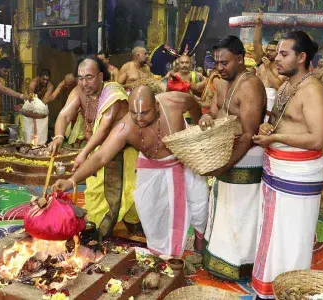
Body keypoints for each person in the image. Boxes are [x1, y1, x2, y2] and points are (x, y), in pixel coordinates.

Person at [52, 87, 208, 257]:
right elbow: (101, 157)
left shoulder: (173, 102)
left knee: (199, 206)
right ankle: (164, 252)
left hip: (184, 159)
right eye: (134, 113)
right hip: (151, 166)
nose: (139, 119)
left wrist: (201, 122)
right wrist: (72, 181)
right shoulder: (126, 127)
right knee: (152, 215)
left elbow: (193, 104)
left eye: (145, 113)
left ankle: (200, 241)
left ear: (156, 105)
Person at [252, 31, 323, 299]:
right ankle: (271, 290)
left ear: (302, 57)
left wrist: (276, 137)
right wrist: (267, 126)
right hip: (277, 169)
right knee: (274, 235)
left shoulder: (313, 90)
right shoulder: (285, 86)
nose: (277, 58)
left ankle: (292, 292)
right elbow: (278, 121)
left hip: (298, 174)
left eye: (284, 54)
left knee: (293, 238)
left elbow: (318, 138)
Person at [47, 57, 140, 241]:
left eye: (88, 77)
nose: (83, 83)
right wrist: (58, 136)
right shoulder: (79, 91)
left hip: (118, 156)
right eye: (80, 78)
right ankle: (105, 232)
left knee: (120, 200)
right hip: (95, 155)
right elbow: (64, 115)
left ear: (100, 76)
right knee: (96, 200)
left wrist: (82, 153)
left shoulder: (114, 94)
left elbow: (103, 129)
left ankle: (126, 235)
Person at [198, 35, 267, 281]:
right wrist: (206, 118)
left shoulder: (250, 85)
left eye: (224, 62)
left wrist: (224, 165)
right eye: (217, 62)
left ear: (240, 59)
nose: (219, 68)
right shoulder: (223, 82)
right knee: (224, 209)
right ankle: (218, 259)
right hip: (226, 155)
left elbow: (249, 134)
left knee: (240, 214)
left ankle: (242, 266)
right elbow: (216, 112)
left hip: (246, 158)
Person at [253, 11, 286, 121]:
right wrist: (258, 26)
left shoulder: (282, 66)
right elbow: (257, 42)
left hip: (271, 99)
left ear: (278, 52)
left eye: (272, 50)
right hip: (256, 95)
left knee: (266, 125)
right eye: (267, 49)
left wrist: (267, 68)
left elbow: (278, 86)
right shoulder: (261, 60)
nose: (268, 52)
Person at [22, 69, 54, 145]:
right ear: (39, 77)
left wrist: (40, 108)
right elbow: (31, 94)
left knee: (41, 129)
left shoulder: (50, 86)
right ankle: (28, 144)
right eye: (43, 79)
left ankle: (40, 145)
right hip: (31, 104)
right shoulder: (34, 82)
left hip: (41, 106)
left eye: (47, 80)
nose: (45, 81)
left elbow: (45, 99)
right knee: (29, 128)